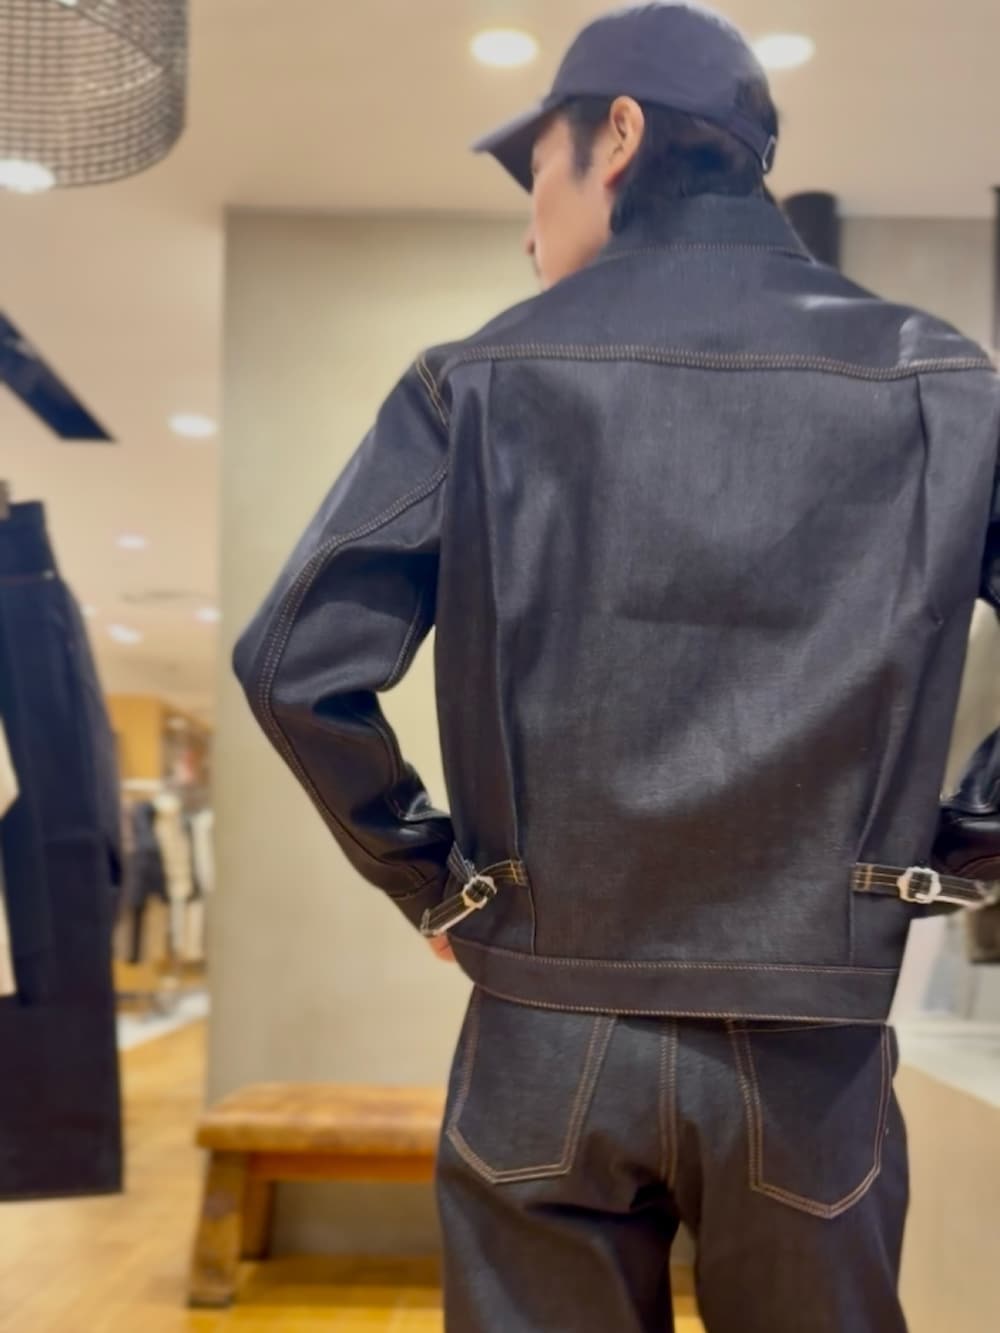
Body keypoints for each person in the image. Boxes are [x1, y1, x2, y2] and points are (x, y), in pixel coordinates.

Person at [233, 4, 1000, 1330]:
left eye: (537, 169)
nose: (528, 224)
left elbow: (291, 663)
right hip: (811, 1038)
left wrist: (435, 882)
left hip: (545, 1020)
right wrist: (951, 853)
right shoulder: (942, 378)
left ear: (621, 136)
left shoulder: (477, 377)